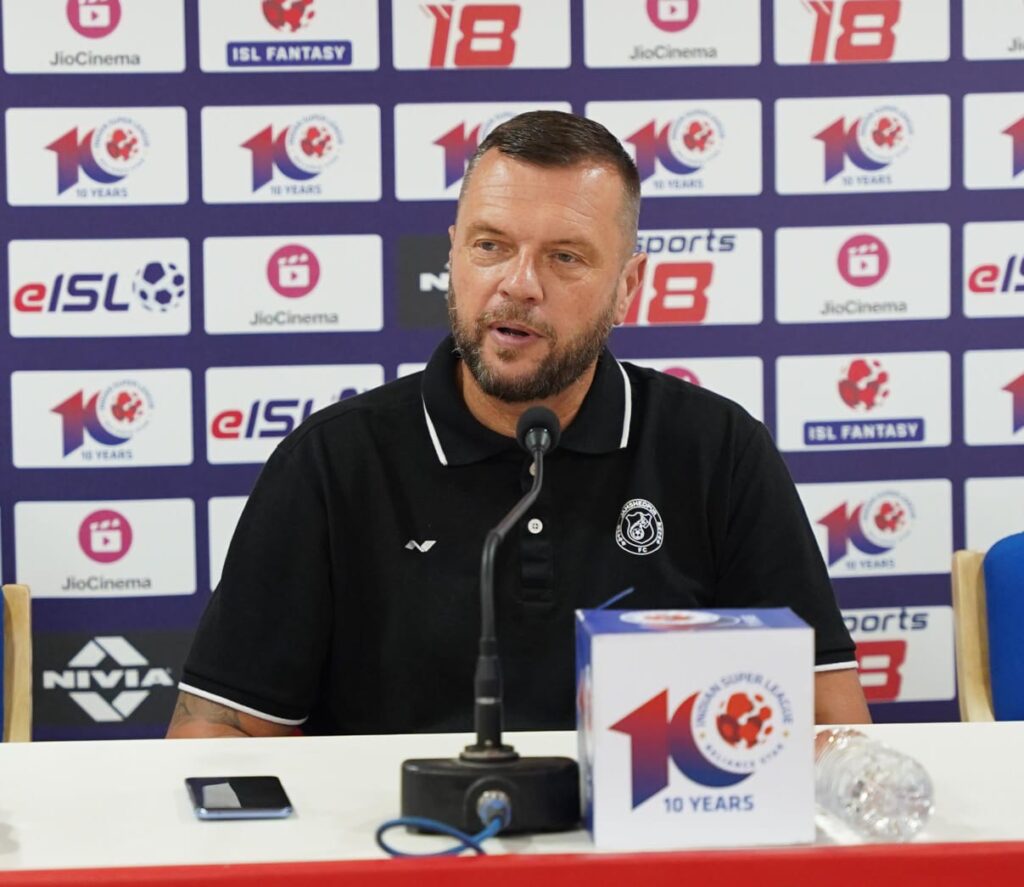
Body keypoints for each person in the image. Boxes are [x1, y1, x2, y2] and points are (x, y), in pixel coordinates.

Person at [168, 111, 869, 739]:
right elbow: (218, 737)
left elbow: (830, 727)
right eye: (490, 246)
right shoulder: (332, 462)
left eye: (565, 257)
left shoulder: (718, 452)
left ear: (628, 287)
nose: (519, 283)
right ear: (453, 256)